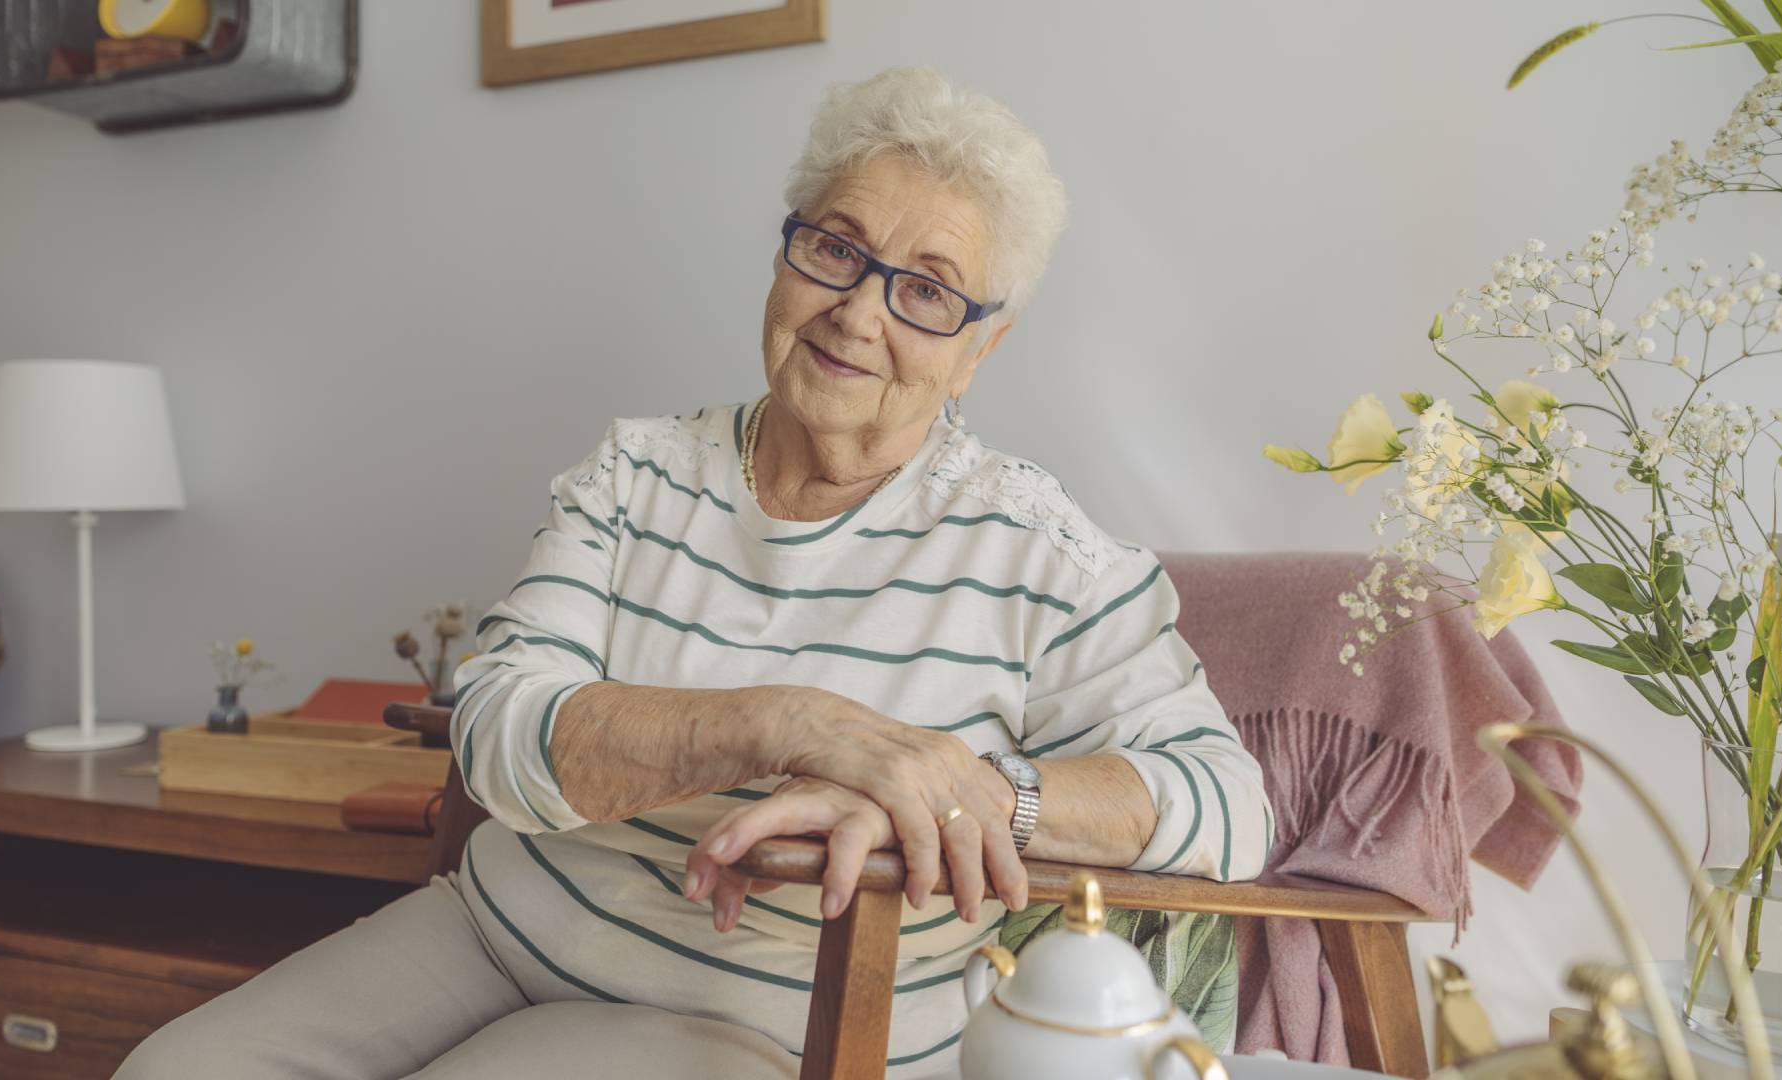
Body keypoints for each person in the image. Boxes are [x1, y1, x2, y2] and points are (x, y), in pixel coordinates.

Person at [116, 65, 1270, 1080]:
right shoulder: (636, 475)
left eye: (925, 288)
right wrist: (797, 726)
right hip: (496, 926)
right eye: (836, 247)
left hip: (771, 1015)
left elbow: (1227, 804)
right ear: (786, 250)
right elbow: (503, 725)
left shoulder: (1041, 552)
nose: (860, 312)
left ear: (980, 347)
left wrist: (972, 788)